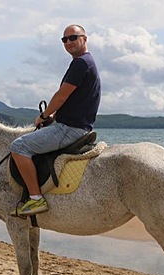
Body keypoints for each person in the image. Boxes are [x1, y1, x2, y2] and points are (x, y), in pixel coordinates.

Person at [10, 24, 101, 216]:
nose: (68, 42)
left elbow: (61, 96)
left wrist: (43, 116)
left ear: (85, 39)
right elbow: (74, 100)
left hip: (70, 128)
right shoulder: (86, 62)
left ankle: (36, 199)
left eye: (73, 38)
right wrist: (53, 117)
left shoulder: (81, 63)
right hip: (73, 124)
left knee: (19, 147)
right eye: (64, 39)